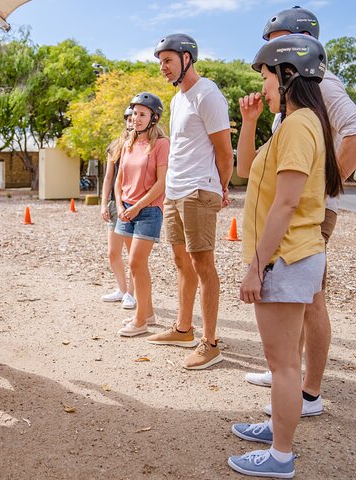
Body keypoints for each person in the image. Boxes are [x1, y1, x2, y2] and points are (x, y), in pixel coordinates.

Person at [244, 6, 356, 419]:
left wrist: (326, 183)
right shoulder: (290, 105)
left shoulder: (322, 85)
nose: (269, 50)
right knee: (297, 298)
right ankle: (288, 372)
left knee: (311, 299)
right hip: (294, 206)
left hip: (305, 212)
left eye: (277, 41)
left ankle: (308, 391)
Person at [227, 34, 342, 478]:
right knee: (281, 363)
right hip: (291, 256)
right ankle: (277, 428)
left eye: (266, 78)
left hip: (285, 257)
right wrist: (251, 121)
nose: (263, 86)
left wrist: (257, 265)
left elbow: (286, 203)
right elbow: (243, 172)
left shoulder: (299, 125)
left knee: (282, 365)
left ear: (288, 74)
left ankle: (280, 455)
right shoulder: (295, 123)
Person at [146, 34, 234, 369]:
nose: (163, 68)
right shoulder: (179, 99)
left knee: (203, 265)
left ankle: (210, 343)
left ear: (187, 58)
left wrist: (220, 188)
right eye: (160, 62)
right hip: (176, 191)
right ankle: (183, 329)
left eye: (167, 60)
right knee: (182, 263)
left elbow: (225, 152)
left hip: (199, 190)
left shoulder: (207, 94)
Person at [115, 93, 169, 337]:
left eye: (142, 114)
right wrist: (119, 206)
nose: (136, 118)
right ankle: (147, 313)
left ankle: (140, 322)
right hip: (125, 209)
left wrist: (136, 207)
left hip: (147, 210)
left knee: (136, 262)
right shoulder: (127, 143)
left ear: (154, 118)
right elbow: (119, 179)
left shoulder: (160, 145)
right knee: (138, 266)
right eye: (134, 113)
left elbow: (161, 184)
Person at [100, 107, 136, 310]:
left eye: (135, 118)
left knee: (133, 255)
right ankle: (122, 290)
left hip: (132, 204)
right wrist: (104, 203)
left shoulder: (143, 145)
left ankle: (132, 293)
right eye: (129, 118)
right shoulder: (116, 146)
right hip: (115, 204)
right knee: (113, 253)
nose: (132, 122)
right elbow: (108, 177)